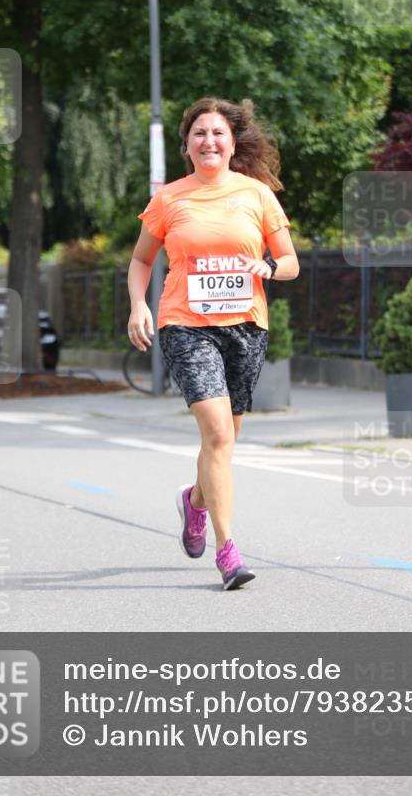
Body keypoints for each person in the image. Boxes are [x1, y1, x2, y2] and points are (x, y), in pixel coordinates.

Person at [127, 97, 299, 590]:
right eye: (199, 133)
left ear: (232, 142)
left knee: (225, 441)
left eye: (218, 133)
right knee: (218, 436)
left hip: (246, 326)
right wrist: (139, 305)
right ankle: (228, 552)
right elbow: (141, 261)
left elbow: (289, 260)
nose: (209, 141)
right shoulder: (170, 199)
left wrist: (268, 266)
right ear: (187, 145)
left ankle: (193, 501)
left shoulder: (257, 195)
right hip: (185, 324)